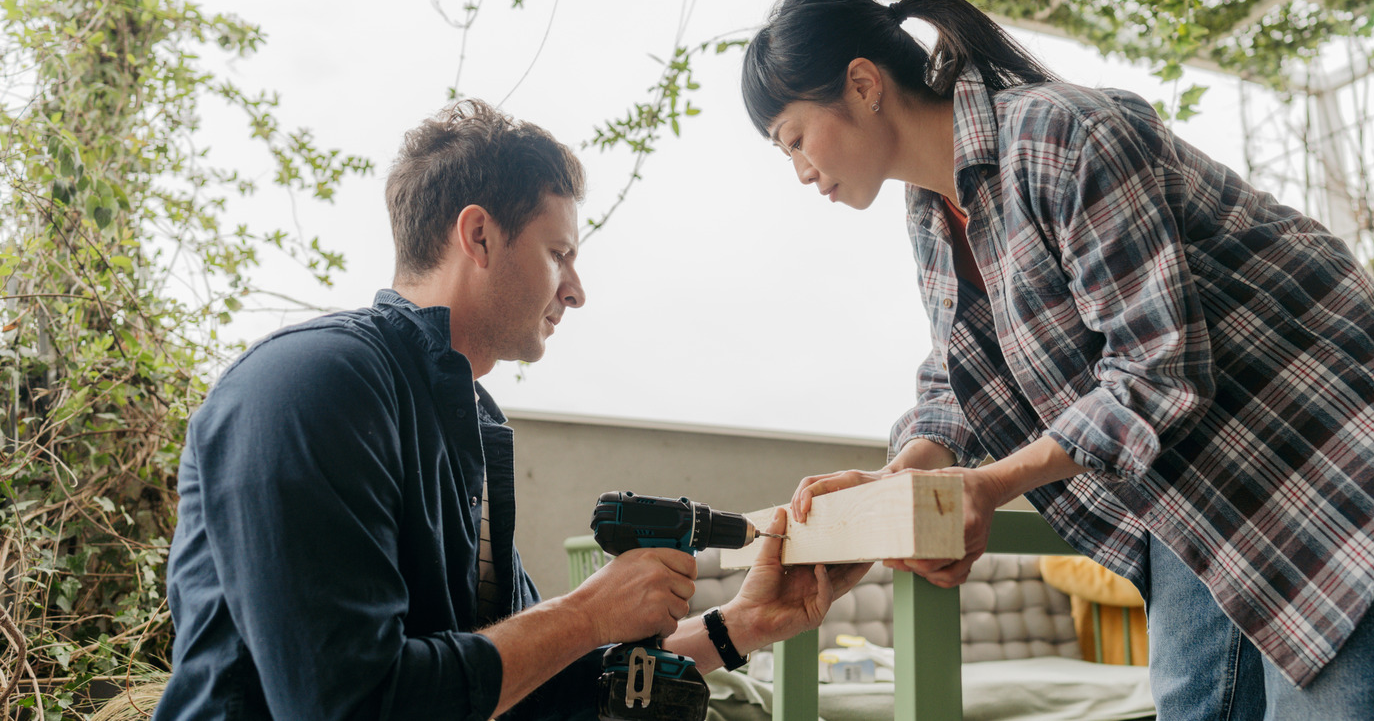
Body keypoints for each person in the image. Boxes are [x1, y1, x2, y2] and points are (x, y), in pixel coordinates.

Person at [741, 0, 1374, 720]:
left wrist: (991, 486)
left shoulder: (1064, 133)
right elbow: (958, 370)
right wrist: (902, 476)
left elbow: (1156, 368)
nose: (800, 170)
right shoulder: (930, 211)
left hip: (1325, 449)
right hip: (1186, 485)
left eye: (795, 138)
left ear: (864, 84)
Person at [155, 99, 867, 721]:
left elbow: (523, 683)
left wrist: (742, 623)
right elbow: (348, 704)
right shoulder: (308, 387)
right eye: (559, 253)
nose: (576, 290)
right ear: (479, 236)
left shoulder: (471, 421)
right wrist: (587, 613)